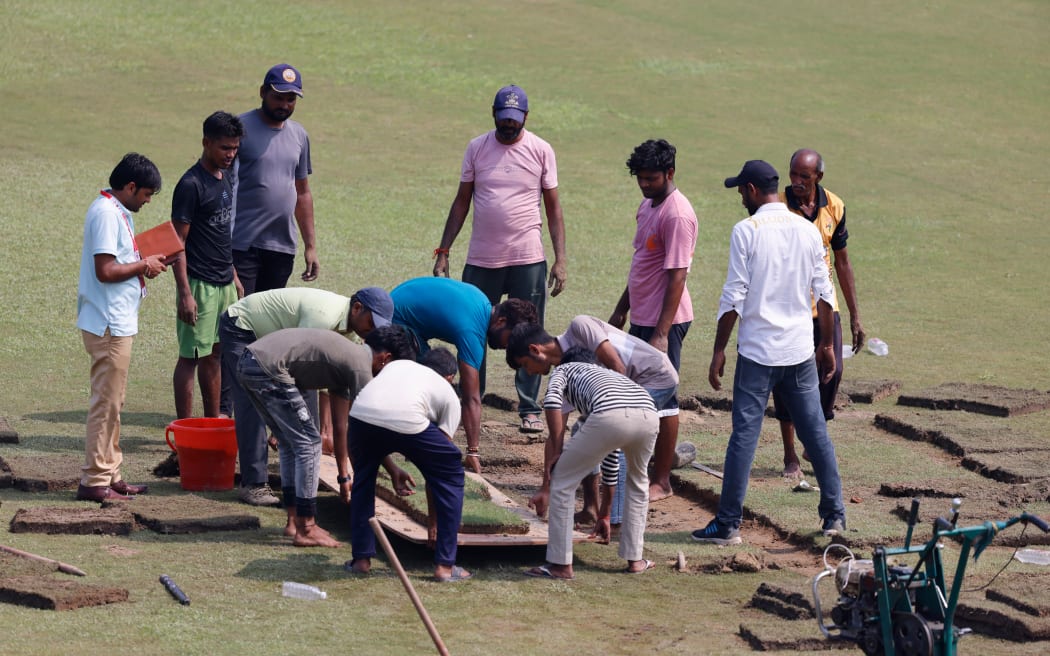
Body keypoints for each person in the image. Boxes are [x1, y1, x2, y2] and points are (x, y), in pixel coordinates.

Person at [692, 160, 846, 546]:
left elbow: (734, 297)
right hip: (798, 351)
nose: (741, 198)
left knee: (744, 435)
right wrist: (826, 345)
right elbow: (825, 294)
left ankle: (728, 525)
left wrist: (718, 350)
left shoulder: (746, 231)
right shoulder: (806, 231)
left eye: (741, 191)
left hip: (758, 353)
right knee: (816, 432)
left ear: (752, 190)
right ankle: (834, 516)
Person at [433, 84, 567, 435]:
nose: (509, 126)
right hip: (482, 258)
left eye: (515, 120)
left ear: (526, 116)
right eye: (503, 119)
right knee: (474, 329)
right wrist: (443, 250)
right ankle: (471, 399)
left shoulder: (541, 150)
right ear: (493, 114)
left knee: (528, 332)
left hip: (527, 257)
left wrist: (560, 258)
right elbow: (462, 201)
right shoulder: (477, 148)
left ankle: (529, 408)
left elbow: (553, 208)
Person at [236, 325, 417, 546]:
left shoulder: (346, 362)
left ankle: (294, 522)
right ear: (384, 359)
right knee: (309, 444)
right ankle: (307, 527)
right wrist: (392, 468)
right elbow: (369, 430)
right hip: (268, 367)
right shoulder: (360, 369)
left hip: (250, 361)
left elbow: (344, 427)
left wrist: (344, 478)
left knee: (290, 444)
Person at [505, 317, 679, 540]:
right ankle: (591, 509)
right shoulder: (566, 373)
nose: (529, 373)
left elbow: (618, 367)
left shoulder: (579, 326)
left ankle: (615, 522)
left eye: (525, 365)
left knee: (619, 439)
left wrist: (616, 416)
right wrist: (546, 487)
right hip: (625, 392)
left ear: (534, 350)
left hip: (655, 376)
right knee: (582, 433)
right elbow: (555, 434)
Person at [220, 286, 395, 506]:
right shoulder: (324, 316)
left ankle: (298, 485)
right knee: (252, 403)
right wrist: (284, 422)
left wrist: (320, 429)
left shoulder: (347, 329)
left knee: (302, 428)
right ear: (357, 308)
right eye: (372, 323)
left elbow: (321, 380)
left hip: (275, 350)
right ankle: (253, 485)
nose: (372, 332)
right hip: (242, 327)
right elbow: (300, 369)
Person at [75, 153, 169, 502]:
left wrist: (145, 261)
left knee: (115, 401)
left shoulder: (115, 210)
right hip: (108, 323)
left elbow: (118, 263)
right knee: (106, 403)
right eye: (146, 194)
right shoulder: (105, 214)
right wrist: (144, 265)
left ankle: (110, 473)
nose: (146, 201)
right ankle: (94, 481)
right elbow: (106, 270)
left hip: (116, 321)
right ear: (130, 186)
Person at [609, 139, 698, 502]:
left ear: (670, 173)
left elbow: (677, 276)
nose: (644, 185)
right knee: (635, 393)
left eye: (651, 179)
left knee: (664, 399)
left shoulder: (676, 215)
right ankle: (646, 464)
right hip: (643, 315)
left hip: (666, 321)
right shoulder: (648, 205)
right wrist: (621, 308)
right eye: (640, 178)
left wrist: (661, 333)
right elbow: (641, 265)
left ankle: (662, 479)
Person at [522, 348, 659, 580]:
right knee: (638, 484)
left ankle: (560, 565)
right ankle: (635, 560)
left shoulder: (564, 369)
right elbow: (611, 458)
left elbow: (552, 401)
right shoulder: (610, 377)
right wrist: (604, 515)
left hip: (611, 413)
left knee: (563, 481)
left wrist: (557, 450)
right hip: (649, 413)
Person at [775, 149, 866, 479]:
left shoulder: (835, 206)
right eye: (793, 174)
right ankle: (790, 457)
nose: (796, 182)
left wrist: (855, 315)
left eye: (804, 176)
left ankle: (812, 441)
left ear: (819, 178)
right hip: (787, 308)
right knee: (785, 379)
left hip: (826, 306)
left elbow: (842, 261)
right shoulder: (778, 205)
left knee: (833, 370)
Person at [346, 347, 471, 582]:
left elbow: (379, 424)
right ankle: (445, 566)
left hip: (360, 416)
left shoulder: (396, 366)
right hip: (405, 419)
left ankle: (361, 560)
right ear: (450, 377)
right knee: (452, 473)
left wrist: (392, 469)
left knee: (363, 478)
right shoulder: (449, 394)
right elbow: (438, 472)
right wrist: (434, 523)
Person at [390, 276, 538, 475]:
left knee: (437, 376)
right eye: (510, 338)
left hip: (402, 310)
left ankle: (416, 444)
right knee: (434, 383)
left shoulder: (482, 301)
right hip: (395, 319)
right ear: (501, 321)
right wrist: (473, 452)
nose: (507, 347)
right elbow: (471, 399)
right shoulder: (472, 331)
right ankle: (415, 446)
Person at [171, 111, 244, 419]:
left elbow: (220, 234)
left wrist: (234, 275)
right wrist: (185, 293)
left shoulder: (225, 176)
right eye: (225, 148)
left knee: (215, 353)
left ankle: (212, 423)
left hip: (224, 282)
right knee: (190, 356)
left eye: (235, 148)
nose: (231, 154)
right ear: (206, 143)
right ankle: (185, 430)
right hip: (199, 284)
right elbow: (176, 244)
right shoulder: (190, 184)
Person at [234, 63, 318, 294]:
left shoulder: (299, 135)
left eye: (291, 99)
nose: (284, 105)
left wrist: (310, 247)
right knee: (240, 316)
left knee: (268, 322)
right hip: (242, 244)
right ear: (263, 92)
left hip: (281, 248)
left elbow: (302, 192)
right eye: (278, 97)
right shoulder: (239, 128)